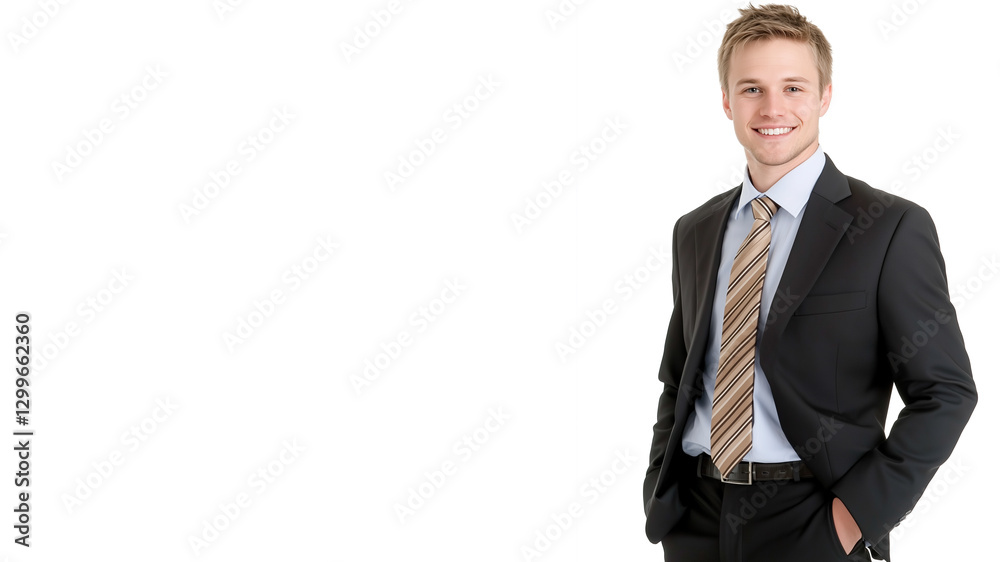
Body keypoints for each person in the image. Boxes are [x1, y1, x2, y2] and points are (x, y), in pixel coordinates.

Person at [642, 4, 977, 561]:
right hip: (696, 517)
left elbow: (945, 392)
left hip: (814, 518)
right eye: (751, 89)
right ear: (726, 101)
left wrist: (854, 518)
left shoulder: (889, 227)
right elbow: (679, 381)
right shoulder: (695, 230)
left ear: (824, 97)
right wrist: (661, 493)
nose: (772, 108)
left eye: (793, 87)